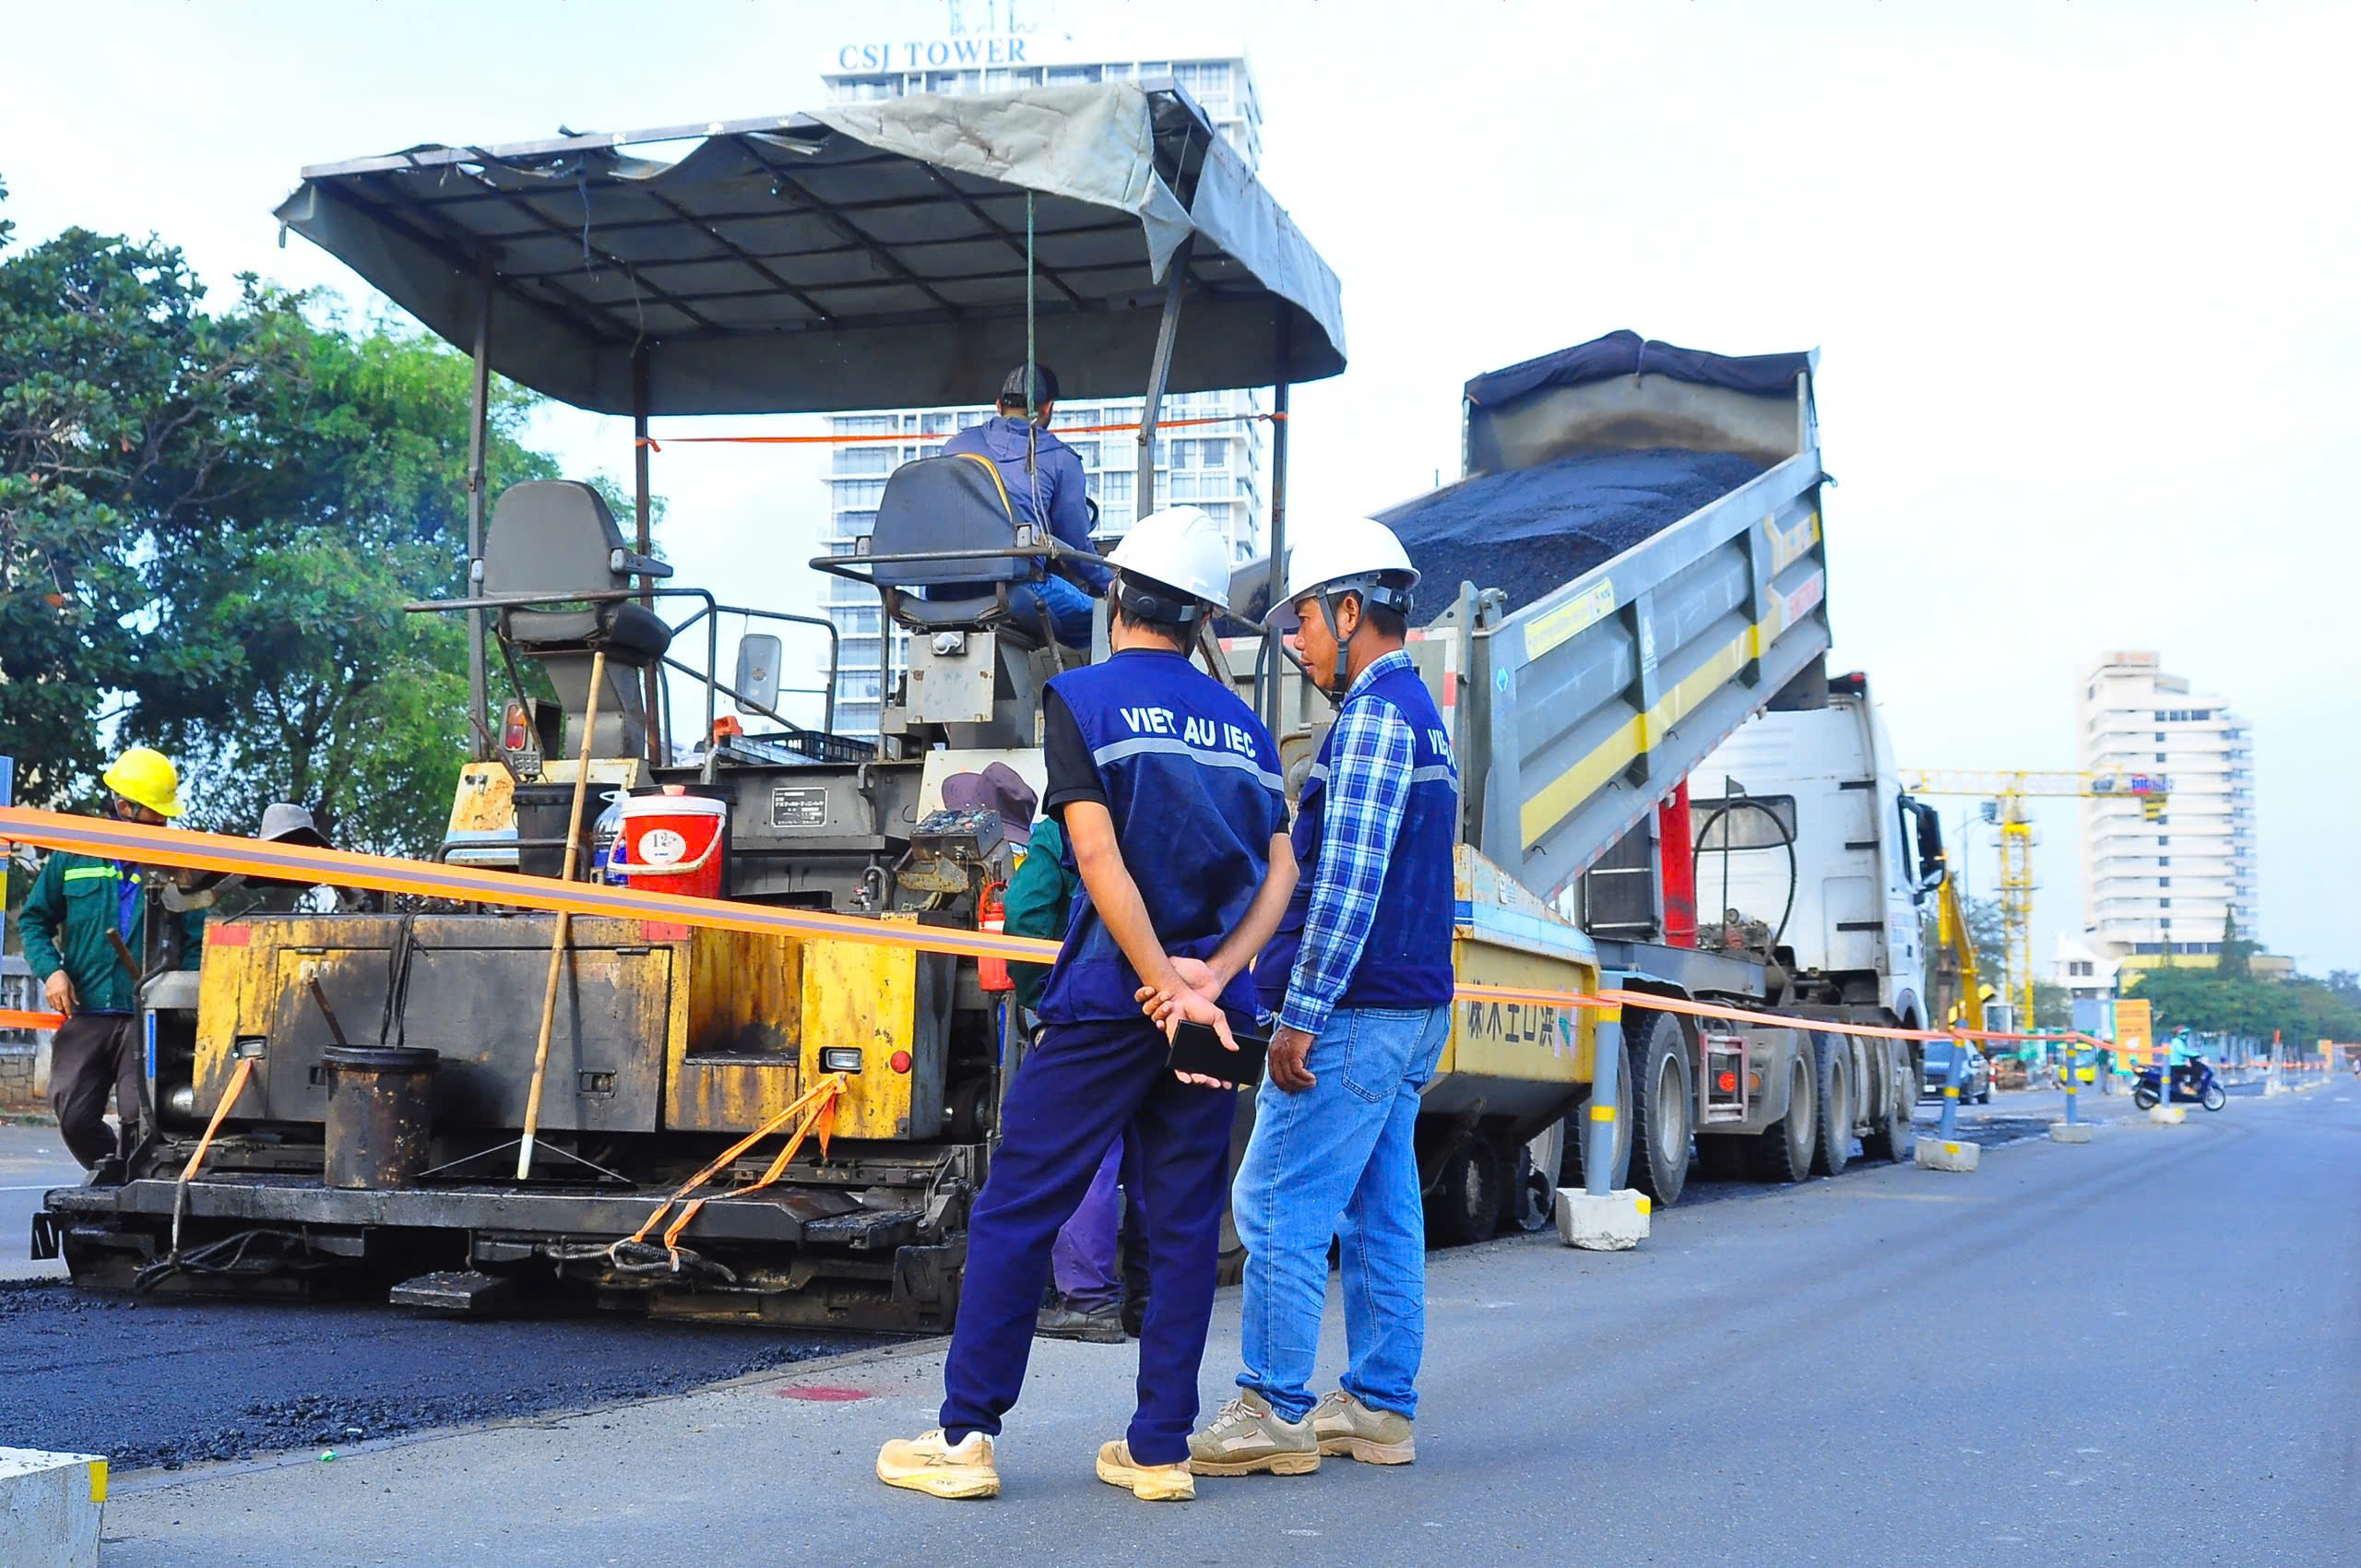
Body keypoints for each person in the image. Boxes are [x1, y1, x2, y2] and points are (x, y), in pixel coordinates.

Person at [876, 505, 1296, 1504]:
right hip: (1212, 1012)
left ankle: (965, 1435)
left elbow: (1098, 860)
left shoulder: (1084, 699)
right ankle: (1158, 1450)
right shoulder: (1246, 729)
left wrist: (1153, 974)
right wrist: (1207, 976)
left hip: (1117, 997)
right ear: (1198, 619)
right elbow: (1282, 876)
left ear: (1118, 599)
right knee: (1186, 1221)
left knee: (1022, 1200)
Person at [1182, 517, 1458, 1479]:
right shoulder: (1420, 715)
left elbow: (1347, 881)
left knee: (1274, 1198)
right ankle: (1379, 1406)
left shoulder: (1377, 719)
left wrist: (1300, 1011)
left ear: (1349, 610)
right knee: (1381, 1204)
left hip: (1359, 1010)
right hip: (1411, 1007)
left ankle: (1271, 1405)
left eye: (1300, 620)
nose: (1293, 643)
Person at [19, 747, 202, 1179]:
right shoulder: (73, 855)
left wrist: (186, 1006)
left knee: (145, 1119)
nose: (162, 822)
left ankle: (142, 1191)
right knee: (75, 1116)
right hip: (87, 1012)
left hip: (150, 1016)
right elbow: (33, 920)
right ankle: (119, 1177)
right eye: (154, 813)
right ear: (123, 807)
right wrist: (52, 971)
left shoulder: (177, 863)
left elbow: (196, 942)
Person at [940, 363, 1110, 647]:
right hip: (1012, 589)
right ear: (1047, 408)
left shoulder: (955, 446)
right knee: (1104, 622)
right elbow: (1074, 546)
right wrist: (1111, 585)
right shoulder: (1060, 458)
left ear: (999, 406)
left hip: (942, 590)